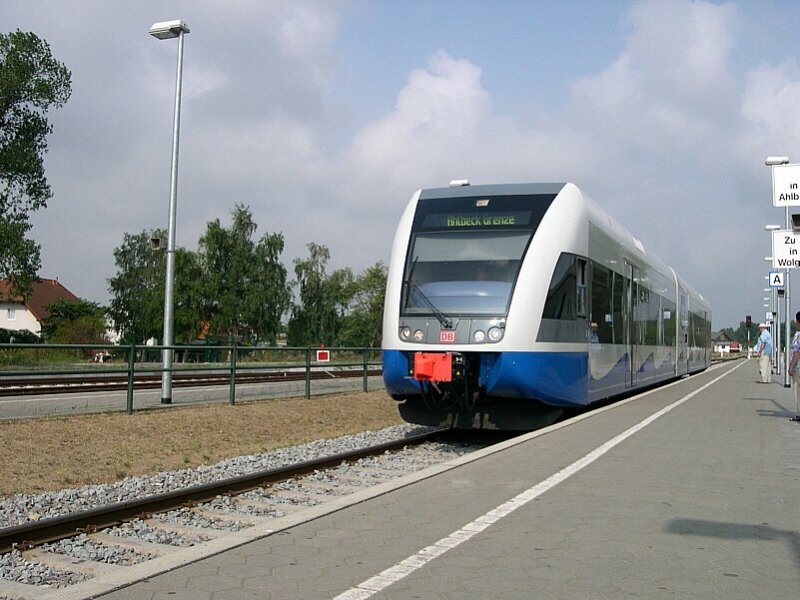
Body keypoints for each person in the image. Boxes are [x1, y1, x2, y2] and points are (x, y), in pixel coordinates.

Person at [786, 312, 800, 422]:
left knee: (798, 390)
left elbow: (797, 352)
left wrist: (791, 366)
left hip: (799, 367)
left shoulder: (799, 335)